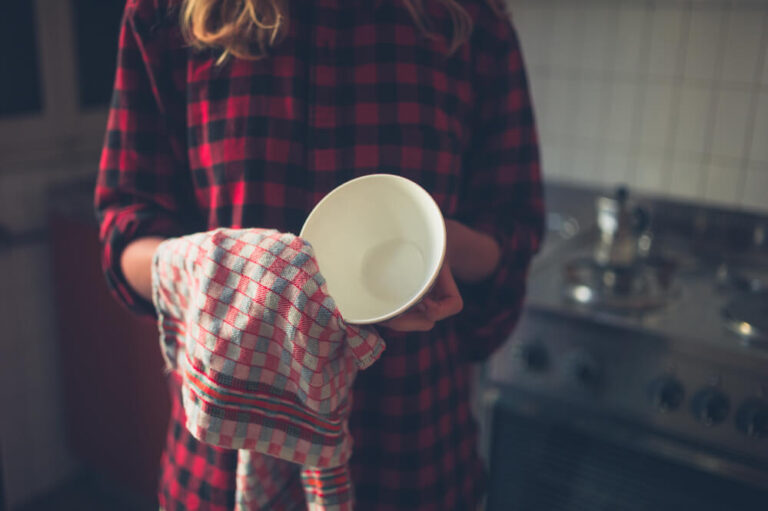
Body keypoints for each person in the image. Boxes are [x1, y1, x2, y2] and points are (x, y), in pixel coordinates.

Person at [95, 0, 544, 509]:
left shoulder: (472, 23)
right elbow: (124, 235)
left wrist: (439, 244)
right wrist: (223, 269)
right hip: (223, 463)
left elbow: (513, 230)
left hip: (413, 455)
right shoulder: (164, 14)